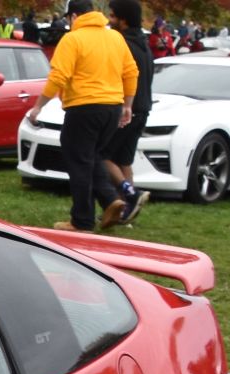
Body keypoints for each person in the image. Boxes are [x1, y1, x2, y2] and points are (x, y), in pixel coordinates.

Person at [29, 0, 137, 231]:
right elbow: (131, 72)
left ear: (74, 16)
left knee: (77, 161)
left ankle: (82, 220)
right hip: (112, 107)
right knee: (92, 156)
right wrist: (127, 105)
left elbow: (59, 76)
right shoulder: (115, 38)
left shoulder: (73, 39)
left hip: (84, 107)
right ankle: (111, 200)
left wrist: (38, 107)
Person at [102, 0, 150, 224]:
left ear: (123, 19)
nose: (109, 21)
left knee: (101, 155)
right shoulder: (143, 42)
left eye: (112, 16)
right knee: (123, 160)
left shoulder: (123, 43)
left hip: (125, 108)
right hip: (143, 108)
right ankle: (125, 212)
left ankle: (130, 193)